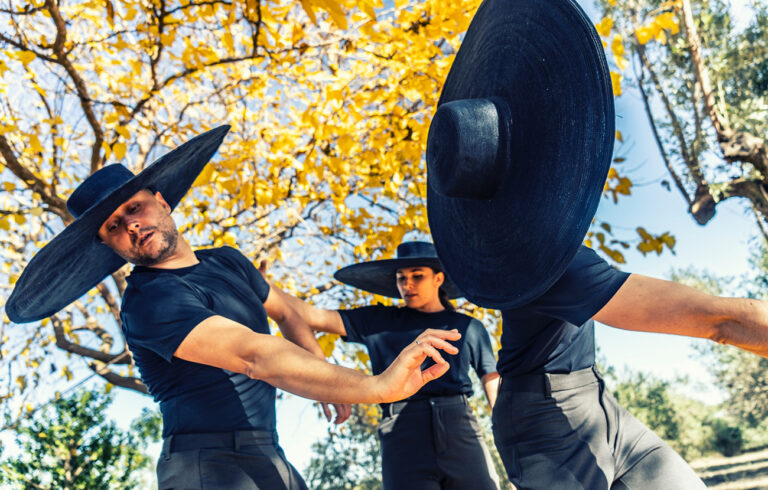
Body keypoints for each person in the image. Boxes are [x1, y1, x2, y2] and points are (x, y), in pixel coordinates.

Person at [423, 0, 768, 488]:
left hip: (594, 400)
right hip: (544, 421)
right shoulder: (552, 267)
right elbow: (720, 322)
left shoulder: (541, 251)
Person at [6, 126, 461, 490]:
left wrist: (326, 379)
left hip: (267, 448)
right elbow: (253, 355)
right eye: (114, 226)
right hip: (204, 463)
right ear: (109, 245)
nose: (132, 225)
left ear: (160, 201)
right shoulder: (148, 300)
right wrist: (376, 386)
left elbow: (289, 312)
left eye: (135, 207)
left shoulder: (226, 260)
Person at [269, 240, 501, 489]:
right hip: (402, 432)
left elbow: (491, 378)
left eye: (417, 276)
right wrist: (263, 287)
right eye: (401, 278)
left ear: (438, 279)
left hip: (460, 427)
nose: (407, 284)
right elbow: (310, 315)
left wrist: (506, 430)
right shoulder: (379, 320)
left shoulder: (468, 326)